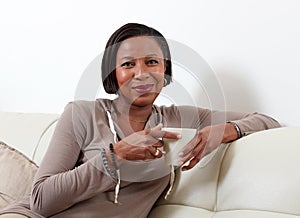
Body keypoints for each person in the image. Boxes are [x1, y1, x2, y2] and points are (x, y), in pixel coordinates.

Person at [0, 23, 280, 218]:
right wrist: (114, 157)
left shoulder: (177, 119)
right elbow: (41, 200)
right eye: (128, 64)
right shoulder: (82, 114)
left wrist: (223, 130)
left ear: (165, 70)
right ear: (113, 74)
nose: (141, 73)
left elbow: (267, 120)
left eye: (152, 62)